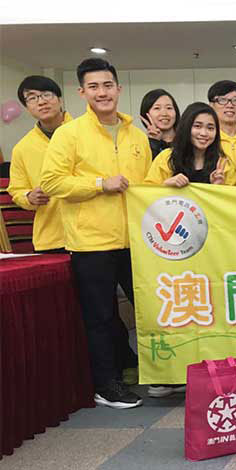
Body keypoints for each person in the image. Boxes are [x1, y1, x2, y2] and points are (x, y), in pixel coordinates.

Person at [40, 58, 152, 409]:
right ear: (82, 92)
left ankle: (159, 374)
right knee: (101, 317)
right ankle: (106, 385)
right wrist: (100, 184)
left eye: (107, 85)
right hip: (91, 243)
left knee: (149, 311)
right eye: (94, 87)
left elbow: (148, 185)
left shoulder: (137, 135)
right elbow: (52, 182)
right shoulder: (69, 134)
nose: (102, 92)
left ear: (119, 88)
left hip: (136, 241)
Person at [8, 75, 71, 253]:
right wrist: (28, 197)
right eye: (32, 98)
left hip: (94, 234)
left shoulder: (86, 132)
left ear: (59, 99)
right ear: (27, 108)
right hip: (52, 237)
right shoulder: (22, 148)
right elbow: (16, 190)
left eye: (46, 94)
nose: (41, 102)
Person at [144, 102, 236, 187]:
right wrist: (166, 185)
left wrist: (219, 187)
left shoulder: (224, 164)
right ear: (186, 127)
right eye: (197, 126)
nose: (204, 133)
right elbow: (147, 192)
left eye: (210, 128)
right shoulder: (166, 158)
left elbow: (233, 197)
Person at [139, 89, 180, 158]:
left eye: (169, 108)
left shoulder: (187, 140)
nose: (164, 113)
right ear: (146, 114)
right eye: (157, 108)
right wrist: (153, 142)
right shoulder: (140, 146)